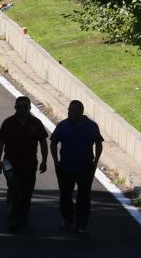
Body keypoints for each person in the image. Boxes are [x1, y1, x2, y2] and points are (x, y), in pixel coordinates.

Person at [0, 96, 49, 233]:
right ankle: (12, 221)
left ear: (30, 108)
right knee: (13, 191)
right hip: (10, 164)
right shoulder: (8, 122)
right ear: (15, 107)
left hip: (29, 165)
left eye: (25, 107)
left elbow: (43, 142)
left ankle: (23, 220)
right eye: (19, 106)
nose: (22, 109)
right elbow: (0, 142)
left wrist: (44, 161)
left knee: (26, 195)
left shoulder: (36, 123)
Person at [50, 100, 103, 234]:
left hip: (85, 167)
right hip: (66, 167)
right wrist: (56, 162)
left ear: (80, 111)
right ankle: (68, 219)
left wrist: (95, 162)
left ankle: (82, 224)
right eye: (69, 109)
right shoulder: (62, 125)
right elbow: (53, 142)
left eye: (72, 110)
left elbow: (98, 143)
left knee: (84, 196)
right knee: (65, 195)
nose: (69, 112)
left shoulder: (92, 126)